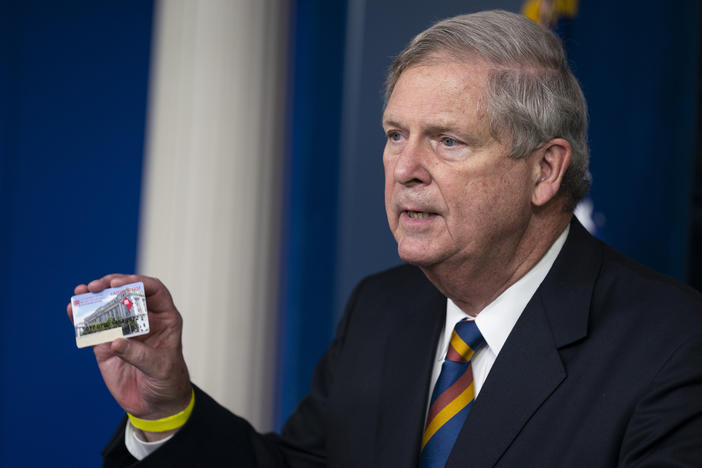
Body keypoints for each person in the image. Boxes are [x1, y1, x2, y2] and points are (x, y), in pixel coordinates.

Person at [68, 10, 702, 467]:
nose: (405, 168)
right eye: (395, 134)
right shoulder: (382, 308)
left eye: (447, 140)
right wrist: (166, 409)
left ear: (544, 170)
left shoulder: (675, 346)